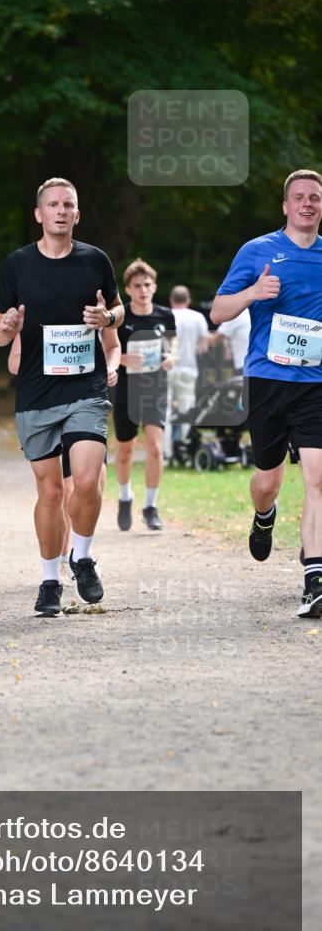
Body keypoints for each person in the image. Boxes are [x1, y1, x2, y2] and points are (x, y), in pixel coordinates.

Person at [0, 177, 124, 617]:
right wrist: (6, 328)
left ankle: (81, 556)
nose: (61, 211)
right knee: (49, 491)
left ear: (77, 215)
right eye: (53, 204)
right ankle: (50, 581)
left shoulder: (95, 261)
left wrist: (107, 316)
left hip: (84, 389)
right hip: (36, 393)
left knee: (84, 480)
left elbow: (118, 312)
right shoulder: (17, 265)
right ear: (39, 214)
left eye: (69, 204)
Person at [210, 168, 322, 619]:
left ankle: (314, 577)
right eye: (299, 197)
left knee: (317, 477)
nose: (307, 204)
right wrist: (254, 292)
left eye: (314, 197)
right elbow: (218, 311)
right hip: (267, 380)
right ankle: (264, 514)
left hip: (315, 382)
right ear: (285, 206)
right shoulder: (257, 251)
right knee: (269, 480)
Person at [8, 326, 121, 584]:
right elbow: (14, 362)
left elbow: (113, 346)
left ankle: (80, 554)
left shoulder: (95, 305)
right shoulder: (35, 309)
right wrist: (48, 363)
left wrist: (111, 367)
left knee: (89, 483)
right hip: (44, 401)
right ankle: (60, 561)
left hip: (86, 400)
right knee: (56, 491)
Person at [114, 259, 177, 532]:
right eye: (137, 286)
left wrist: (171, 358)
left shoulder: (165, 315)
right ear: (128, 289)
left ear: (155, 287)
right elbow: (108, 351)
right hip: (126, 389)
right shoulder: (119, 317)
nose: (143, 290)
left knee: (155, 447)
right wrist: (123, 359)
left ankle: (151, 507)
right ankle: (125, 497)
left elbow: (172, 347)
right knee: (126, 449)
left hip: (155, 387)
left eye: (147, 285)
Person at [164, 285, 209, 460]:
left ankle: (165, 452)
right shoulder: (197, 318)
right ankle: (183, 449)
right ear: (188, 300)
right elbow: (203, 345)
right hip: (188, 369)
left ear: (171, 300)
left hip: (167, 368)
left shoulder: (165, 314)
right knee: (186, 410)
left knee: (165, 412)